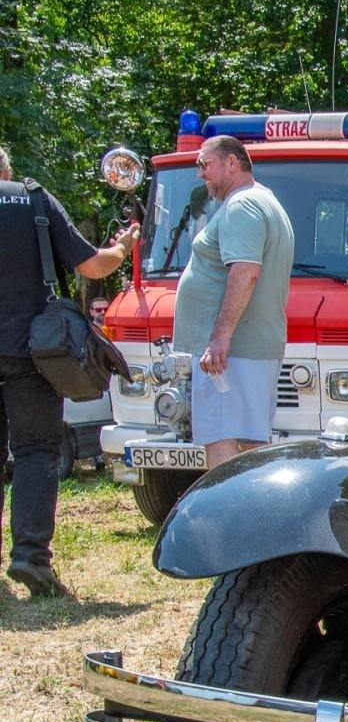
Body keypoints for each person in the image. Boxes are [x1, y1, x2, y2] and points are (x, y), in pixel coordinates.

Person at [0, 143, 139, 597]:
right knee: (37, 452)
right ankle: (30, 557)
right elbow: (92, 264)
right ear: (7, 168)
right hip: (31, 352)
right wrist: (122, 247)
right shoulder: (34, 200)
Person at [173, 135, 293, 470]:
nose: (200, 174)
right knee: (253, 442)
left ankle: (231, 521)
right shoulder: (264, 200)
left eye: (204, 164)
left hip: (232, 353)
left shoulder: (242, 206)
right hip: (248, 348)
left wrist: (220, 337)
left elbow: (245, 272)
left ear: (231, 163)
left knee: (221, 437)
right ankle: (257, 518)